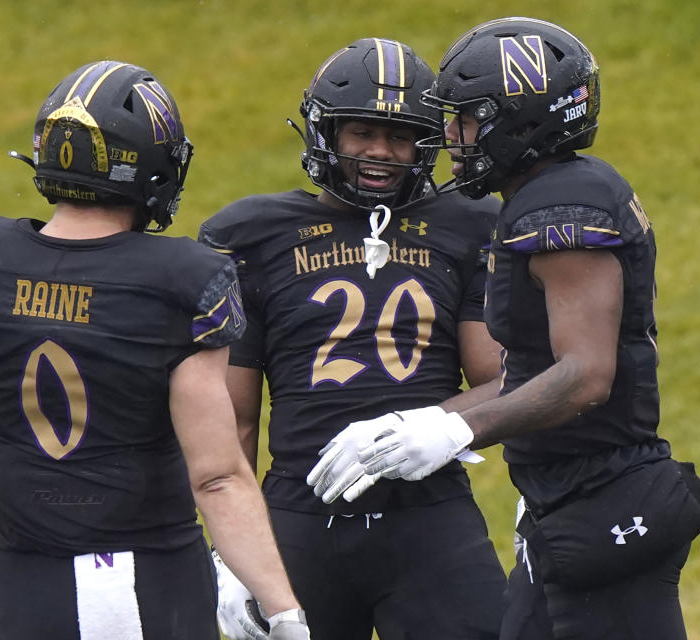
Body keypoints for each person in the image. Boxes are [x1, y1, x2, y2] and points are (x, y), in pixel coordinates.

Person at [309, 18, 700, 640]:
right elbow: (536, 369)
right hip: (568, 501)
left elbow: (586, 376)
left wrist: (453, 427)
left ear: (522, 124)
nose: (451, 137)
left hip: (603, 501)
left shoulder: (561, 208)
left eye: (467, 119)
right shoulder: (548, 194)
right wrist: (413, 424)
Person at [0, 60, 310, 640]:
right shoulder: (182, 280)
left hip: (23, 584)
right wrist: (283, 609)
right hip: (148, 582)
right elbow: (217, 476)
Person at [198, 39, 507, 640]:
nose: (381, 152)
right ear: (326, 132)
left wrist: (436, 429)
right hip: (300, 511)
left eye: (402, 137)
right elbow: (232, 418)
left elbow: (497, 380)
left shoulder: (469, 226)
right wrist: (233, 554)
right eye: (362, 131)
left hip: (430, 511)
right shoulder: (251, 235)